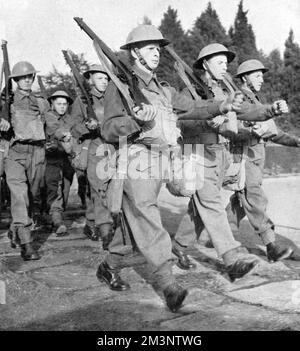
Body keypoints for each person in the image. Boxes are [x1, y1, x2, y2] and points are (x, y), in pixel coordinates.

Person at [97, 26, 244, 312]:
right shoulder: (121, 86)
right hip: (137, 159)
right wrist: (136, 121)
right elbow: (108, 129)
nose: (157, 53)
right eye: (151, 48)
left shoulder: (163, 88)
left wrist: (223, 105)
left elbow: (192, 106)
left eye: (158, 48)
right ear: (135, 52)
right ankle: (167, 283)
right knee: (147, 216)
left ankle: (109, 265)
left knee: (134, 223)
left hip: (165, 157)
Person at [172, 44, 289, 280]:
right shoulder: (189, 90)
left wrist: (270, 111)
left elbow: (245, 111)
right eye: (220, 62)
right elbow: (182, 121)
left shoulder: (224, 90)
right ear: (205, 64)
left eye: (226, 62)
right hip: (199, 153)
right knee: (212, 205)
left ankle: (179, 246)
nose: (225, 67)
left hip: (222, 154)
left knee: (200, 207)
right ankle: (231, 258)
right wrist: (206, 123)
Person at [226, 59, 300, 261]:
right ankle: (271, 246)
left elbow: (274, 133)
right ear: (244, 78)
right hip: (243, 156)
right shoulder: (238, 100)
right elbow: (230, 129)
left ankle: (190, 241)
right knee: (255, 197)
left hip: (256, 159)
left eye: (262, 75)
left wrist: (297, 142)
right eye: (256, 75)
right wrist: (250, 130)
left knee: (240, 201)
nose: (262, 79)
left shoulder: (257, 101)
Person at [4, 61, 49, 260]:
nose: (27, 80)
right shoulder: (6, 101)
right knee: (19, 196)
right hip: (15, 152)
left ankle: (15, 229)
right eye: (22, 77)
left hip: (38, 153)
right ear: (15, 80)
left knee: (33, 195)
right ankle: (26, 243)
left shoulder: (41, 102)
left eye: (29, 77)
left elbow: (52, 122)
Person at [71, 64, 115, 245]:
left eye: (106, 78)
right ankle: (106, 231)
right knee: (99, 189)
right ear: (90, 80)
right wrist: (86, 127)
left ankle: (91, 222)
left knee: (113, 189)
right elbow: (73, 129)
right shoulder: (81, 101)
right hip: (94, 147)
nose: (104, 82)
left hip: (114, 148)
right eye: (99, 78)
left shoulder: (114, 99)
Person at [44, 90, 74, 236]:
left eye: (64, 104)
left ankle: (55, 217)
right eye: (59, 104)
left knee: (66, 189)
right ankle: (56, 221)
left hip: (67, 159)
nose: (62, 107)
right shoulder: (48, 117)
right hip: (52, 158)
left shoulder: (70, 119)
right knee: (54, 189)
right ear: (52, 104)